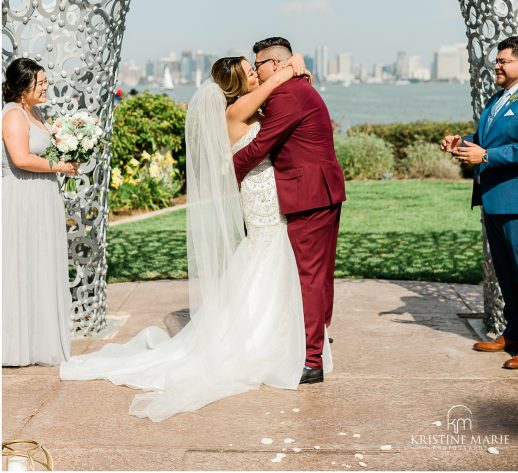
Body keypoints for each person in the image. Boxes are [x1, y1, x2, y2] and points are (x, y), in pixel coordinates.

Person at [60, 52, 326, 421]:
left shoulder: (246, 107)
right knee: (269, 251)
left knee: (269, 256)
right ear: (236, 84)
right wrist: (292, 63)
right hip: (260, 194)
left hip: (265, 189)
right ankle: (261, 341)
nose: (255, 76)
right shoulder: (237, 110)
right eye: (250, 72)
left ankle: (279, 336)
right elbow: (274, 83)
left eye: (255, 70)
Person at [233, 37, 346, 384]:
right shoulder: (299, 85)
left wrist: (225, 172)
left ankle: (311, 360)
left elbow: (260, 145)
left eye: (260, 66)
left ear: (276, 65)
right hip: (323, 190)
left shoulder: (285, 95)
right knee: (321, 274)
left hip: (308, 194)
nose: (258, 72)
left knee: (308, 277)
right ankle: (319, 338)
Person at [441, 35, 518, 370]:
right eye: (496, 60)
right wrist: (462, 142)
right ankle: (515, 334)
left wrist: (486, 155)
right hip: (493, 201)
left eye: (504, 61)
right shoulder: (498, 99)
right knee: (506, 275)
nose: (497, 65)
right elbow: (485, 139)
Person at [2, 58, 76, 366]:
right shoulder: (14, 115)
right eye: (40, 83)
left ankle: (39, 339)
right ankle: (15, 343)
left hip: (41, 194)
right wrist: (60, 166)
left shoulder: (34, 112)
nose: (46, 87)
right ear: (22, 88)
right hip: (23, 195)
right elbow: (20, 158)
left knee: (40, 264)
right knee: (22, 264)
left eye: (45, 82)